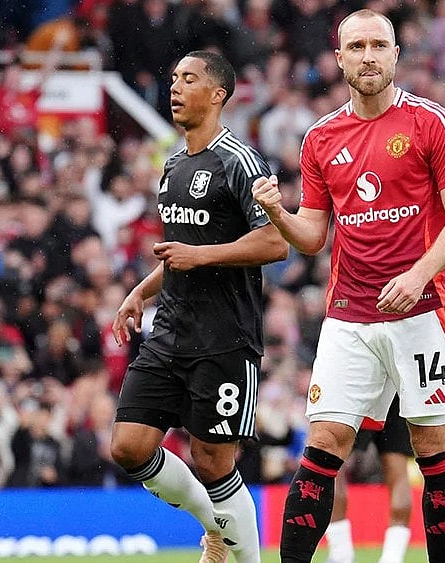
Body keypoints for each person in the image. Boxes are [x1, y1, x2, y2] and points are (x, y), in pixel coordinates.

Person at [252, 9, 445, 563]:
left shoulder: (431, 122)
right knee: (323, 446)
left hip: (422, 311)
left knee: (433, 451)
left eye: (379, 44)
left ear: (396, 54)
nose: (369, 55)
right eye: (357, 46)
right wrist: (277, 214)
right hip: (349, 316)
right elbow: (312, 235)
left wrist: (418, 275)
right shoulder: (320, 137)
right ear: (339, 58)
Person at [109, 50, 287, 563]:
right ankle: (216, 527)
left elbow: (275, 243)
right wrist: (139, 293)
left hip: (225, 337)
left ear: (217, 95)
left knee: (213, 462)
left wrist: (201, 256)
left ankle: (241, 553)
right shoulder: (172, 164)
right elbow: (180, 255)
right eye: (173, 79)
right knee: (128, 446)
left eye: (188, 79)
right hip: (169, 333)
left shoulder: (241, 161)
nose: (175, 87)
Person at [325, 397, 413, 563]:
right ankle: (392, 557)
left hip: (357, 385)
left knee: (334, 463)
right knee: (398, 470)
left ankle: (340, 554)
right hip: (396, 387)